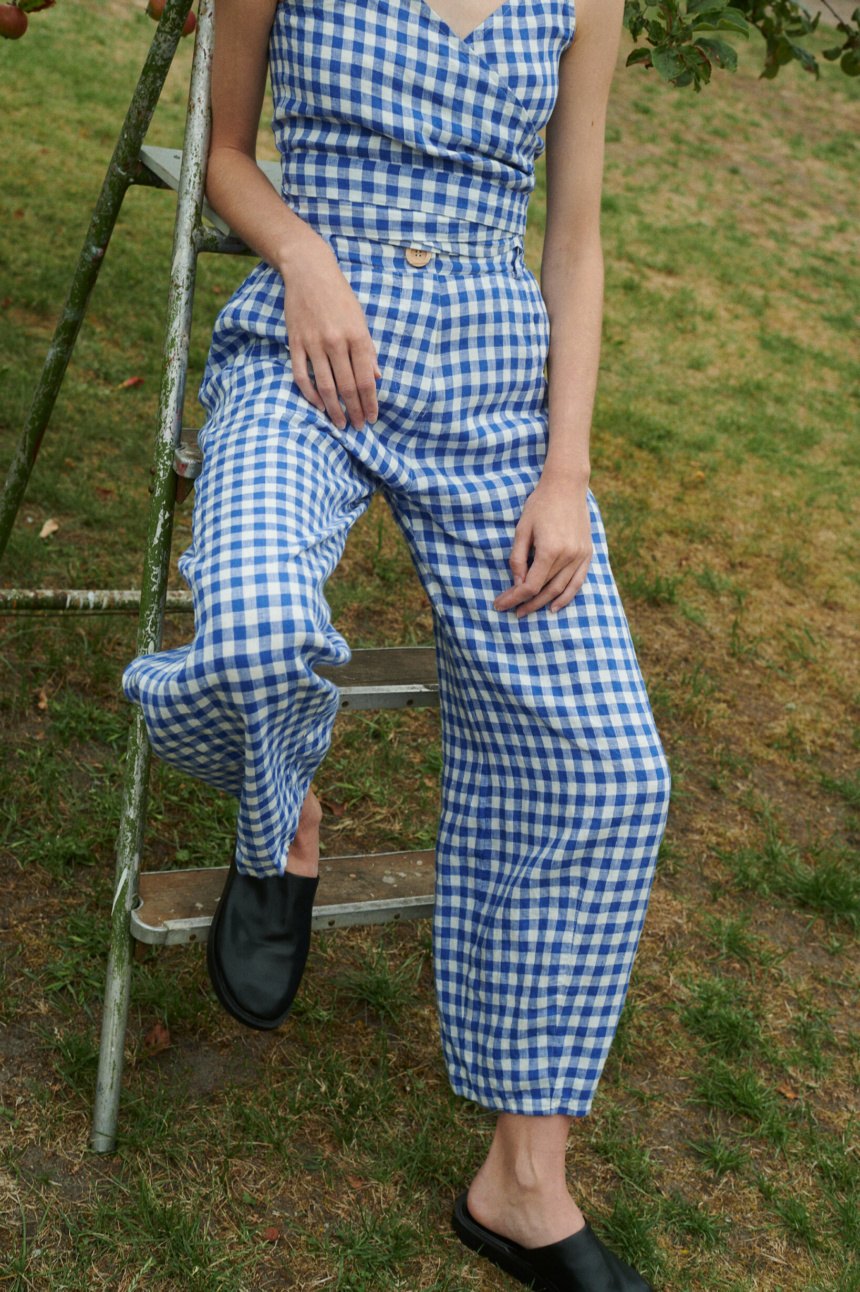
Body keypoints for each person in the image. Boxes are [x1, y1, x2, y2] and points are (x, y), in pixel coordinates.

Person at [123, 0, 671, 1285]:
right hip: (306, 357)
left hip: (493, 389)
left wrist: (563, 468)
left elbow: (574, 236)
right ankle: (282, 820)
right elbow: (222, 150)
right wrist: (304, 258)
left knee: (609, 767)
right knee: (255, 623)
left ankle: (520, 1182)